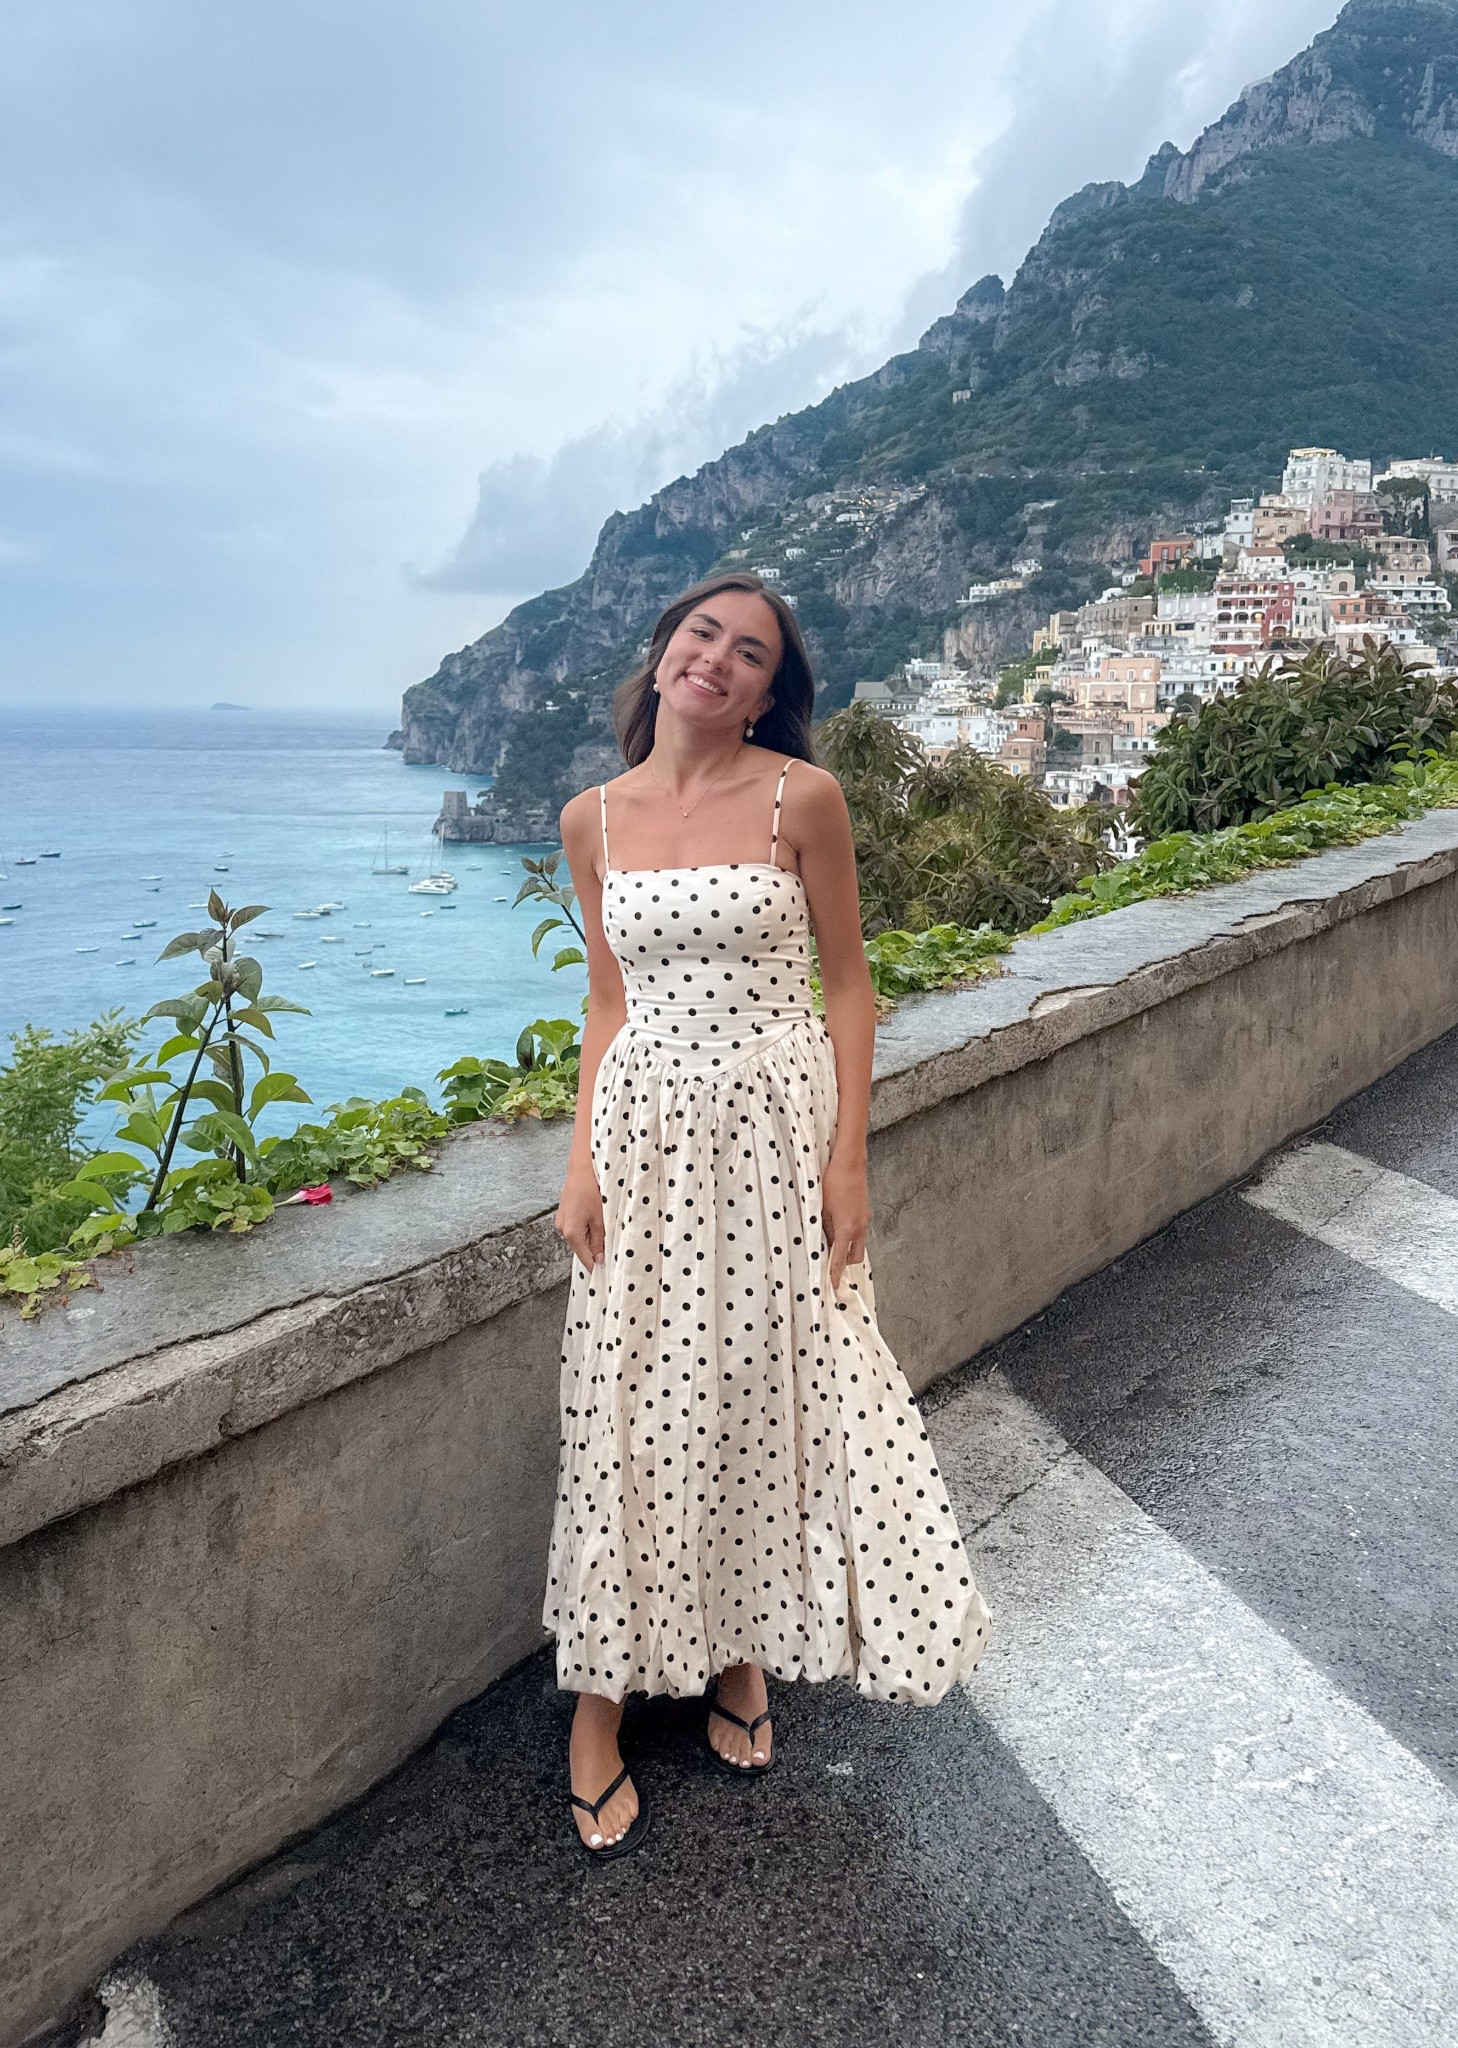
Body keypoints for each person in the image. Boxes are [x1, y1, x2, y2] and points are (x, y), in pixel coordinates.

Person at [545, 571, 991, 1857]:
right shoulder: (592, 819)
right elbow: (608, 1002)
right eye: (704, 633)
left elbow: (848, 984)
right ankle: (599, 1701)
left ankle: (740, 1646)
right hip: (644, 1141)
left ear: (767, 691)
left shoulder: (805, 797)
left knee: (761, 1390)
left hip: (775, 1139)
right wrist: (580, 1163)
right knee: (631, 1405)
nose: (720, 659)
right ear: (664, 650)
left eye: (751, 652)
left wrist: (849, 1157)